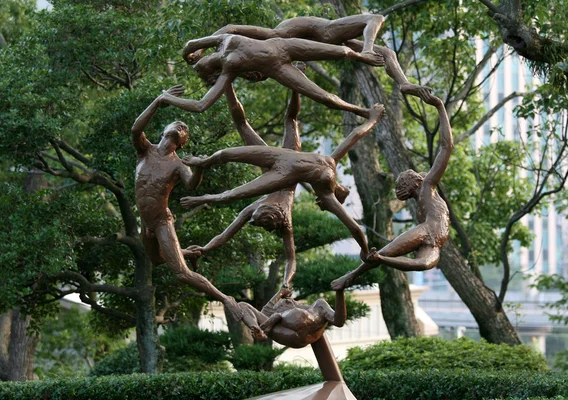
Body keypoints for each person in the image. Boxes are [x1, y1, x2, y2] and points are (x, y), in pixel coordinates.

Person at [180, 104, 385, 261]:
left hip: (282, 162)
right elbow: (354, 228)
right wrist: (366, 253)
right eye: (320, 205)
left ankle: (203, 162)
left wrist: (373, 120)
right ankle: (202, 169)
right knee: (234, 189)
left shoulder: (332, 162)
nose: (318, 203)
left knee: (227, 155)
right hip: (282, 169)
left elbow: (354, 135)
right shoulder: (326, 194)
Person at [186, 65, 305, 291]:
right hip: (290, 162)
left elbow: (225, 234)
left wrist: (204, 248)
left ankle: (227, 81)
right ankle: (296, 81)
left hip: (269, 164)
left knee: (244, 125)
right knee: (290, 120)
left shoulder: (257, 207)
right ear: (269, 208)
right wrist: (286, 282)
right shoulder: (284, 218)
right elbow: (292, 259)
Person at [131, 84, 244, 321]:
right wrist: (159, 100)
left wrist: (201, 166)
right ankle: (182, 252)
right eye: (177, 125)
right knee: (155, 259)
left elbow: (192, 184)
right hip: (146, 222)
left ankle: (224, 298)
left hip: (161, 221)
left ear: (182, 143)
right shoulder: (145, 150)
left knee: (181, 273)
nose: (181, 127)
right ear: (164, 131)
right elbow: (135, 129)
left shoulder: (178, 165)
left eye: (184, 129)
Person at [331, 95, 453, 290]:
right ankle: (354, 274)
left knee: (421, 263)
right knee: (387, 253)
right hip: (429, 230)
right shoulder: (425, 193)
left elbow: (447, 147)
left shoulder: (428, 186)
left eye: (403, 183)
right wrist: (382, 258)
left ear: (415, 181)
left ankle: (359, 271)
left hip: (433, 237)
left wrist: (440, 106)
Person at [202, 14, 431, 100]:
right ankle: (368, 50)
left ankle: (404, 84)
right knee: (375, 18)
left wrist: (201, 48)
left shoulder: (277, 35)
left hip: (326, 33)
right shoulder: (271, 56)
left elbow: (231, 26)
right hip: (327, 37)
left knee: (386, 47)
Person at [159, 33, 385, 119]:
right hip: (278, 68)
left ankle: (363, 54)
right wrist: (167, 98)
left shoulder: (221, 40)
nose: (197, 63)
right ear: (211, 72)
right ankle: (362, 111)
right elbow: (201, 105)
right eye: (199, 68)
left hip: (282, 45)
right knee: (323, 97)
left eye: (197, 62)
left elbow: (189, 43)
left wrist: (189, 53)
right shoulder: (229, 70)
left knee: (341, 52)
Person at [238, 287, 346, 348]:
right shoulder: (279, 314)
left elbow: (339, 321)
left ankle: (260, 330)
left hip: (298, 332)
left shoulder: (317, 306)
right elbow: (269, 310)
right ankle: (259, 330)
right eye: (285, 302)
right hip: (290, 332)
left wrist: (281, 292)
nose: (289, 300)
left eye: (288, 301)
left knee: (277, 316)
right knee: (243, 306)